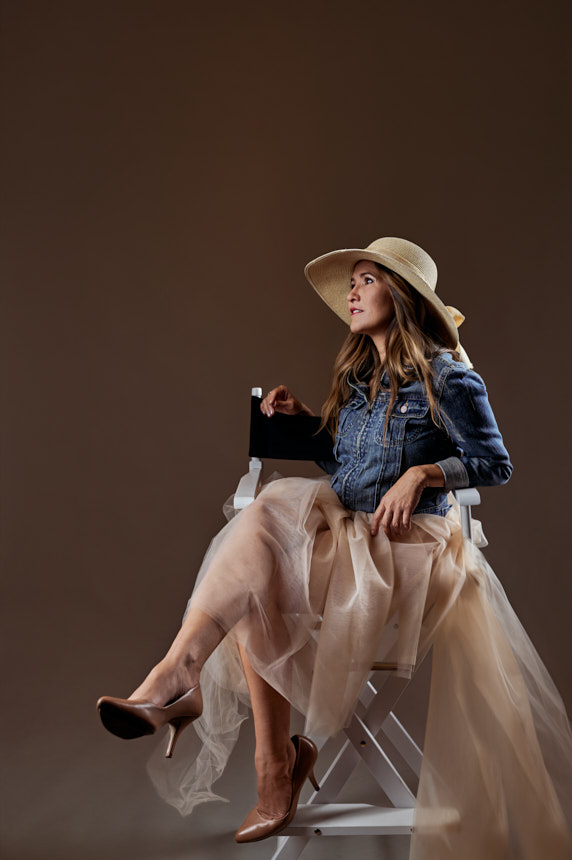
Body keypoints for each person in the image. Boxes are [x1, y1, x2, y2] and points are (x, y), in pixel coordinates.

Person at [97, 237, 572, 856]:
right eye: (353, 281)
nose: (352, 291)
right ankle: (186, 682)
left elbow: (495, 462)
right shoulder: (357, 375)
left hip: (406, 550)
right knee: (264, 536)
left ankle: (260, 754)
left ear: (400, 296)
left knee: (259, 561)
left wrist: (424, 474)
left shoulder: (448, 376)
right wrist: (300, 421)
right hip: (350, 534)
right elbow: (348, 464)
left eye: (367, 280)